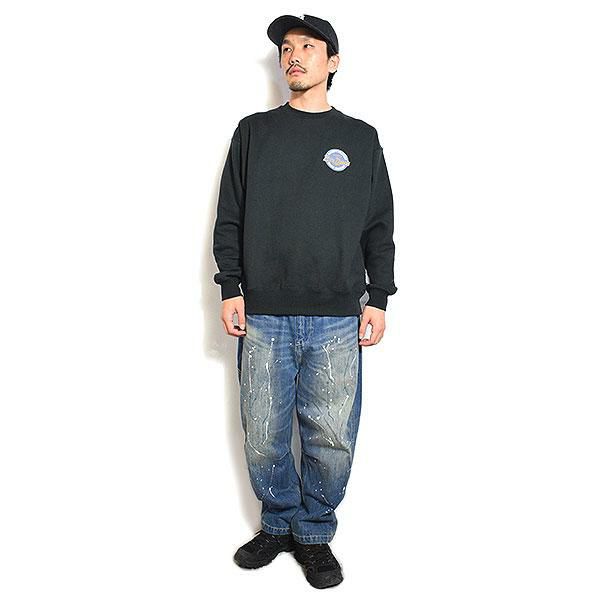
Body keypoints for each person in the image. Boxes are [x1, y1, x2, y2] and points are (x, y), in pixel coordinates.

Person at [212, 14, 397, 589]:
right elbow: (230, 214)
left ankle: (314, 533)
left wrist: (379, 296)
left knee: (332, 435)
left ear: (332, 62)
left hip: (338, 316)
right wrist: (230, 285)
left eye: (309, 47)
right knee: (263, 431)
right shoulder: (254, 133)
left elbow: (378, 224)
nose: (294, 56)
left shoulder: (360, 138)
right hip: (263, 313)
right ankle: (277, 523)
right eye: (287, 48)